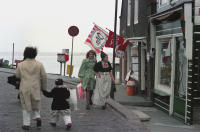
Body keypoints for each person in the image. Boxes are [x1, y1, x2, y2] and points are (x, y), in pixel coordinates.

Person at [15, 47, 47, 130]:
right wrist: (44, 88)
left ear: (25, 54)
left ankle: (26, 124)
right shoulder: (39, 64)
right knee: (36, 103)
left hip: (24, 87)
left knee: (25, 105)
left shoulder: (20, 64)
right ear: (35, 54)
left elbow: (17, 76)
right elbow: (44, 76)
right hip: (35, 87)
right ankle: (37, 116)